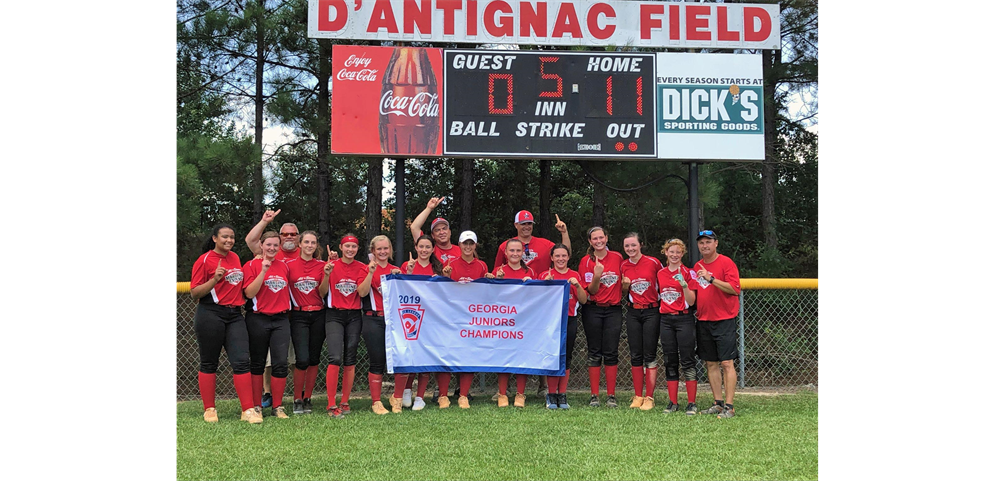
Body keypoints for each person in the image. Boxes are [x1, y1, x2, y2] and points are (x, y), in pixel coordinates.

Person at [189, 224, 260, 424]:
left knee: (241, 361)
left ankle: (247, 410)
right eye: (224, 237)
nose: (229, 240)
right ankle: (209, 409)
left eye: (232, 237)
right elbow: (195, 293)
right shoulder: (204, 260)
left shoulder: (235, 258)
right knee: (209, 362)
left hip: (235, 314)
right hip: (210, 313)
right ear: (214, 238)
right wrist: (214, 280)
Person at [242, 231, 293, 419]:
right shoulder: (251, 265)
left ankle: (278, 406)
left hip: (280, 319)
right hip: (258, 318)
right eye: (268, 245)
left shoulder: (284, 266)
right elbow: (248, 293)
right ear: (261, 246)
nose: (272, 248)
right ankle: (257, 405)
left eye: (275, 245)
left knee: (280, 363)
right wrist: (263, 270)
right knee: (257, 363)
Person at [693, 230, 742, 419]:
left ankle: (730, 406)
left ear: (716, 243)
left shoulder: (726, 262)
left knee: (727, 362)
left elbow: (734, 289)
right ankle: (718, 403)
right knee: (711, 362)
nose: (705, 245)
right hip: (704, 319)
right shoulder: (697, 266)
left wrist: (711, 279)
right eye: (701, 243)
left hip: (724, 319)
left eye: (708, 242)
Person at [318, 234, 367, 419]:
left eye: (353, 247)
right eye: (347, 246)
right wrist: (327, 274)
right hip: (334, 314)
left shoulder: (362, 267)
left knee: (350, 357)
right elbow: (321, 292)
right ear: (341, 247)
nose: (350, 250)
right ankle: (331, 403)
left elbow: (363, 292)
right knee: (335, 357)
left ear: (357, 249)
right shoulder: (330, 266)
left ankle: (345, 401)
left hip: (354, 315)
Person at [440, 230, 490, 409]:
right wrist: (445, 276)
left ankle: (463, 395)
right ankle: (443, 395)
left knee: (469, 355)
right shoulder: (450, 263)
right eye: (465, 243)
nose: (468, 247)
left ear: (475, 245)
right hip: (452, 317)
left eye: (471, 243)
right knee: (447, 354)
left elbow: (486, 293)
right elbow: (443, 290)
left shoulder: (482, 266)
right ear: (459, 245)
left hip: (473, 318)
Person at [358, 235, 407, 415]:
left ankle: (398, 398)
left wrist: (403, 277)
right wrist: (371, 273)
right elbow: (362, 293)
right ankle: (376, 402)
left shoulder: (396, 270)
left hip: (395, 320)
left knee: (401, 358)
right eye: (379, 249)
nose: (383, 252)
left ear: (390, 250)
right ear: (373, 251)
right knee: (377, 360)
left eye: (385, 248)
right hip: (373, 318)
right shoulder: (367, 269)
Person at [577, 226, 625, 408]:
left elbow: (624, 283)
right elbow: (591, 291)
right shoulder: (585, 262)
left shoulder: (618, 258)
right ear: (590, 241)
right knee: (594, 351)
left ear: (606, 237)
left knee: (611, 351)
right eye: (594, 239)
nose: (598, 241)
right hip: (593, 309)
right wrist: (597, 276)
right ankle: (594, 395)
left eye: (601, 237)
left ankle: (611, 395)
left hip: (613, 309)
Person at [398, 235, 446, 410]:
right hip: (412, 317)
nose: (424, 250)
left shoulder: (438, 267)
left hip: (431, 319)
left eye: (428, 247)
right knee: (411, 357)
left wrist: (441, 279)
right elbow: (400, 289)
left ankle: (420, 396)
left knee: (425, 357)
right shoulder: (407, 265)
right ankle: (407, 391)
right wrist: (408, 273)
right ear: (416, 248)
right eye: (421, 247)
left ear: (433, 249)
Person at [540, 243, 588, 410]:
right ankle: (551, 394)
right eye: (557, 256)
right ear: (552, 258)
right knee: (552, 357)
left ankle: (562, 393)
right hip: (550, 322)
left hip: (569, 320)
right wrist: (545, 285)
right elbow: (536, 301)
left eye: (563, 256)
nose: (560, 259)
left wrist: (577, 285)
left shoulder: (574, 275)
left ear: (568, 257)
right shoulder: (545, 275)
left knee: (566, 357)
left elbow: (583, 300)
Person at [619, 232, 664, 411]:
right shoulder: (623, 265)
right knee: (635, 353)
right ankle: (638, 395)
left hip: (652, 310)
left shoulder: (653, 263)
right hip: (633, 311)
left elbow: (665, 282)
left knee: (650, 354)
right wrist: (624, 284)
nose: (630, 249)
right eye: (627, 246)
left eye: (633, 245)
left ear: (641, 245)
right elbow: (623, 291)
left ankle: (649, 397)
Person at [491, 238, 537, 408]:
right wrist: (497, 281)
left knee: (521, 357)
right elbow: (489, 298)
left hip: (524, 323)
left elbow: (537, 298)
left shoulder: (530, 272)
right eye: (512, 251)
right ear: (506, 253)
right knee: (503, 357)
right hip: (503, 323)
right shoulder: (498, 271)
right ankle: (502, 393)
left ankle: (520, 394)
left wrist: (531, 285)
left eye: (518, 251)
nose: (515, 254)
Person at [656, 238, 700, 415]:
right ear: (666, 252)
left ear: (682, 254)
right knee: (670, 360)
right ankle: (673, 401)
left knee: (687, 360)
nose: (674, 255)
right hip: (666, 319)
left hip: (684, 319)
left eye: (678, 252)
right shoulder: (660, 273)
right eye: (671, 251)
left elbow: (692, 301)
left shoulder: (688, 273)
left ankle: (691, 402)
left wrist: (684, 285)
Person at [285, 230, 326, 415]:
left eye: (313, 243)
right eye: (306, 242)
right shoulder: (289, 265)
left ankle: (308, 397)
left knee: (314, 358)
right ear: (299, 244)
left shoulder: (322, 265)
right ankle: (297, 398)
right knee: (302, 359)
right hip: (299, 315)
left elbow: (324, 292)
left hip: (318, 313)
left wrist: (328, 273)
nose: (310, 246)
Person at [494, 210, 571, 278]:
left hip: (541, 287)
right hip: (514, 290)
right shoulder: (505, 246)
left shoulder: (545, 244)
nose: (527, 227)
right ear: (516, 225)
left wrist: (564, 232)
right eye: (523, 224)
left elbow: (566, 253)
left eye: (529, 224)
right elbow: (497, 271)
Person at [409, 197, 462, 264]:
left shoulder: (461, 250)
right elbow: (414, 227)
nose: (442, 232)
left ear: (450, 232)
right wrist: (429, 208)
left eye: (444, 228)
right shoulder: (429, 249)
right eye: (437, 230)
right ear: (433, 235)